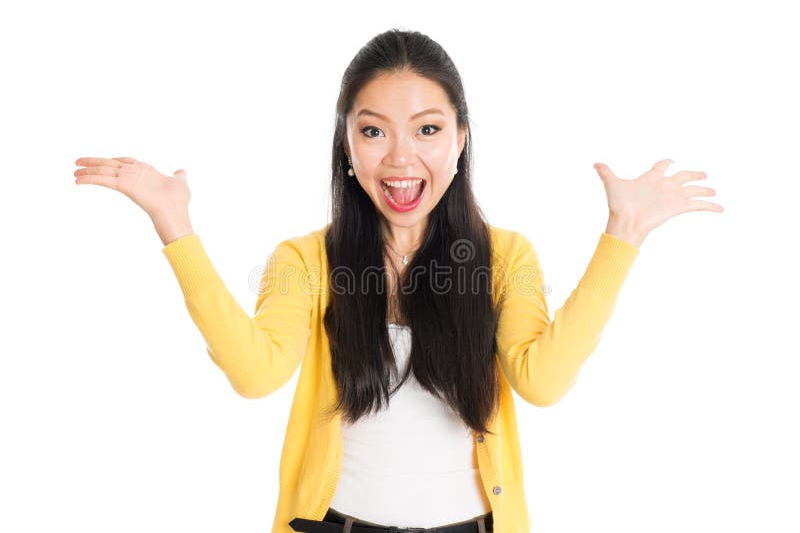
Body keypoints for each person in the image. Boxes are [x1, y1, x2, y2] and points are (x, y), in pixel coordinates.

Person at [73, 28, 723, 533]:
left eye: (428, 130)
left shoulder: (506, 258)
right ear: (348, 147)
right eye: (374, 131)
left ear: (461, 139)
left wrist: (623, 234)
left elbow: (543, 382)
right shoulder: (305, 261)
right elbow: (255, 373)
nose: (401, 158)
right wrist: (175, 225)